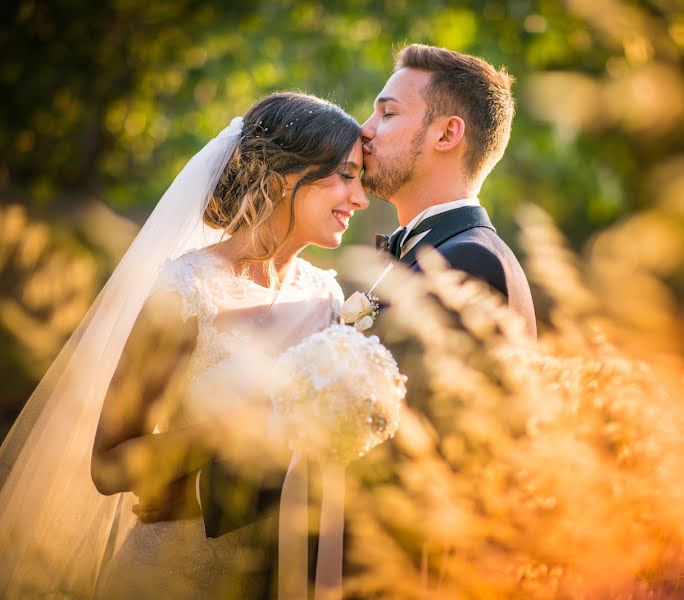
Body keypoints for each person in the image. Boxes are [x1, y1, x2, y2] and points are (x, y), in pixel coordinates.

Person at [0, 91, 374, 599]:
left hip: (282, 566)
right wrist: (242, 425)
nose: (360, 198)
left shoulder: (329, 298)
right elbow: (110, 465)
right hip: (176, 571)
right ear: (281, 175)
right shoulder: (184, 289)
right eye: (346, 175)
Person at [361, 44, 537, 338]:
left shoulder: (467, 261)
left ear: (446, 134)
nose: (365, 129)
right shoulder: (443, 249)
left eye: (388, 113)